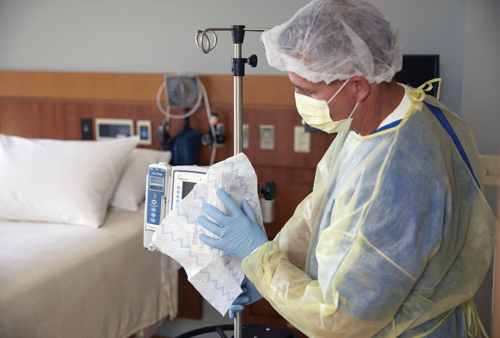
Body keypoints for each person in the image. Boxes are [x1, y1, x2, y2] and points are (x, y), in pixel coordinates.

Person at [197, 0, 498, 337]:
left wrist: (259, 258)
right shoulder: (390, 114)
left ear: (358, 85)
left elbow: (340, 318)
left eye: (307, 90)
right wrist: (267, 270)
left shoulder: (394, 182)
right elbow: (320, 210)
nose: (298, 99)